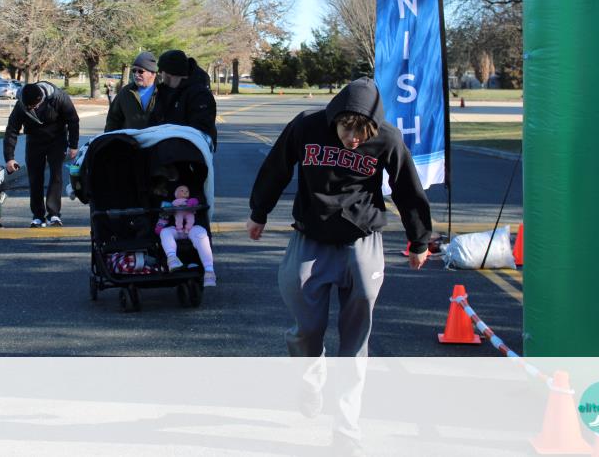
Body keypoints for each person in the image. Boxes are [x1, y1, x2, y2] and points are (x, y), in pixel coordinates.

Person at [245, 77, 431, 454]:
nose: (354, 140)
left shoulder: (388, 138)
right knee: (306, 329)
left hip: (361, 241)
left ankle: (346, 429)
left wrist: (419, 239)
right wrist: (258, 211)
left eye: (362, 134)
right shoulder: (306, 126)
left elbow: (408, 189)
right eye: (348, 131)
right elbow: (276, 167)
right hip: (310, 239)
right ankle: (311, 377)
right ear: (336, 119)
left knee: (356, 340)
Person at [4, 81, 80, 228]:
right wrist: (9, 158)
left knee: (56, 175)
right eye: (29, 107)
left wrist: (73, 145)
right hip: (34, 141)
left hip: (57, 139)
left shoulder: (58, 98)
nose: (33, 109)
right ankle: (38, 215)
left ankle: (54, 213)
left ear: (41, 98)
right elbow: (12, 130)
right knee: (35, 177)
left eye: (34, 106)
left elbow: (73, 120)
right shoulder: (21, 105)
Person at [149, 49, 217, 148]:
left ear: (168, 73)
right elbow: (153, 121)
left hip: (191, 150)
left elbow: (201, 130)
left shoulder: (200, 94)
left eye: (160, 71)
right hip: (163, 149)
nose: (159, 75)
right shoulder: (163, 91)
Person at [158, 184, 215, 287]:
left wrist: (194, 203)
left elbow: (200, 200)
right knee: (165, 232)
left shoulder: (193, 195)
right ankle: (172, 259)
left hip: (192, 227)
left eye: (186, 191)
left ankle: (209, 270)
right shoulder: (169, 199)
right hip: (175, 228)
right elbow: (163, 216)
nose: (184, 193)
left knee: (201, 233)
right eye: (181, 191)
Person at [104, 51, 158, 132]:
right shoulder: (125, 92)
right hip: (130, 139)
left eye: (140, 71)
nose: (136, 74)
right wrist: (109, 138)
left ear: (153, 73)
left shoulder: (163, 92)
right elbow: (113, 120)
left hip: (156, 139)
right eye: (134, 71)